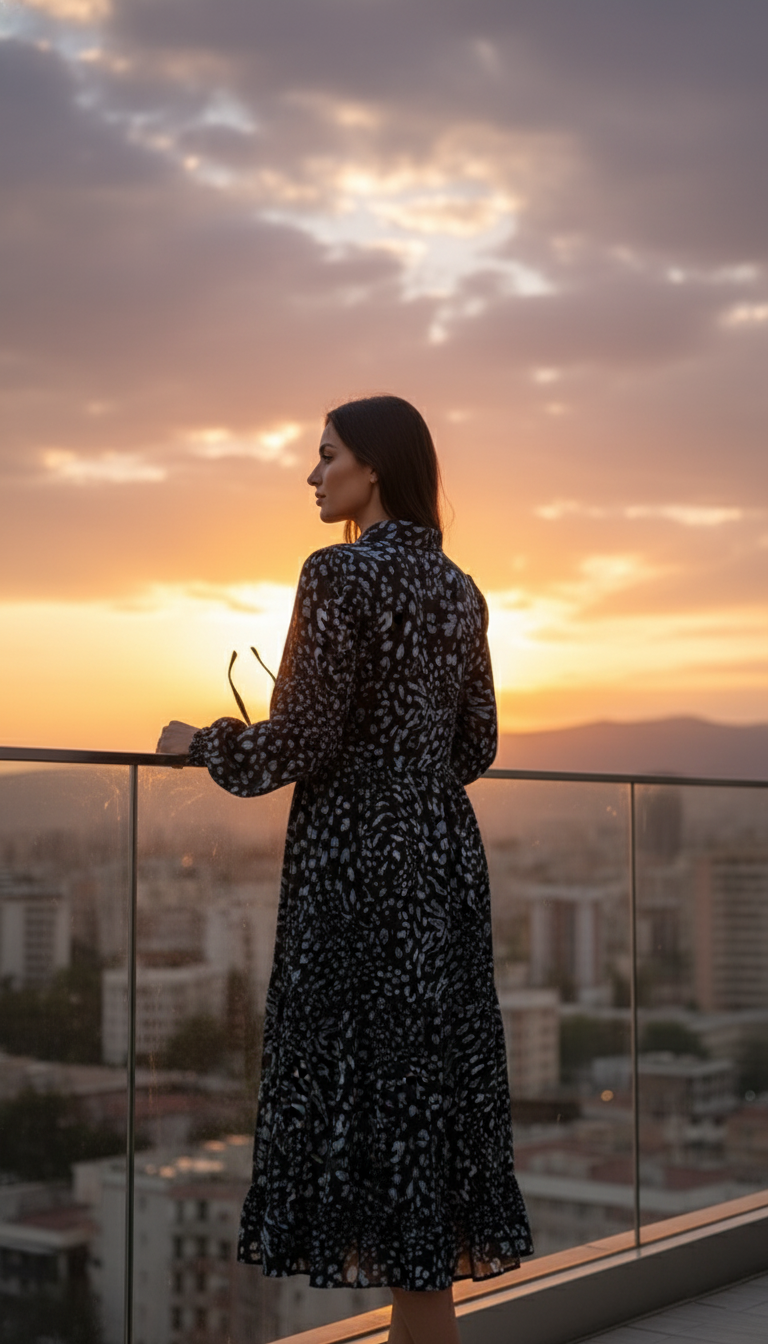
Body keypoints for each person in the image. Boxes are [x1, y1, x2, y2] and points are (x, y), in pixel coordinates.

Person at [157, 395, 533, 1344]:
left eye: (326, 457)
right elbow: (477, 744)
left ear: (372, 468)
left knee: (364, 1089)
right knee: (426, 1102)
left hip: (355, 872)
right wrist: (407, 775)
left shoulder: (334, 575)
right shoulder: (462, 589)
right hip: (440, 864)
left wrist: (203, 739)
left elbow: (305, 738)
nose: (312, 475)